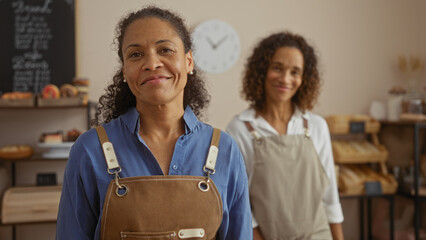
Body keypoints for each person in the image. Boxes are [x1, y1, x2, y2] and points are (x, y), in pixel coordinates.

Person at [56, 6, 252, 240]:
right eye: (136, 54)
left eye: (165, 50)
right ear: (125, 72)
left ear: (189, 62)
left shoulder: (225, 151)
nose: (152, 63)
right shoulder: (90, 150)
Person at [226, 31, 344, 240]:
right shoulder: (241, 129)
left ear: (304, 78)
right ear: (262, 71)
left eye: (295, 72)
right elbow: (240, 202)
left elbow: (330, 196)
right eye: (277, 68)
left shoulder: (316, 126)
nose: (285, 79)